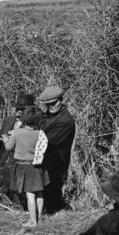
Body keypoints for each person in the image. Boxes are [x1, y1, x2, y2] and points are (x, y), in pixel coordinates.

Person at [1, 106, 48, 228]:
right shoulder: (39, 133)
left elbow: (8, 147)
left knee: (30, 195)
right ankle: (39, 217)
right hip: (38, 166)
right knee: (39, 193)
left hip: (24, 167)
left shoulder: (17, 133)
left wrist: (5, 139)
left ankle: (33, 222)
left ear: (24, 118)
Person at [38, 85, 76, 214]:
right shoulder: (48, 115)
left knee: (52, 192)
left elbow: (46, 141)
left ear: (61, 100)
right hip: (45, 160)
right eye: (47, 104)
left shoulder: (65, 121)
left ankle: (58, 210)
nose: (51, 107)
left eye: (53, 103)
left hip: (56, 162)